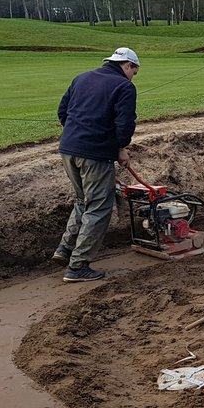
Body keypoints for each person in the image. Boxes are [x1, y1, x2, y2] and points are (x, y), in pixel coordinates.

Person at [51, 47, 139, 282]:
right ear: (128, 65)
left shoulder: (82, 78)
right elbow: (125, 124)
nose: (133, 77)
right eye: (135, 72)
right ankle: (78, 266)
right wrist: (120, 147)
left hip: (68, 149)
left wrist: (77, 135)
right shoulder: (124, 87)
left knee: (82, 201)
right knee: (99, 207)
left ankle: (65, 248)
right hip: (95, 155)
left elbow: (62, 112)